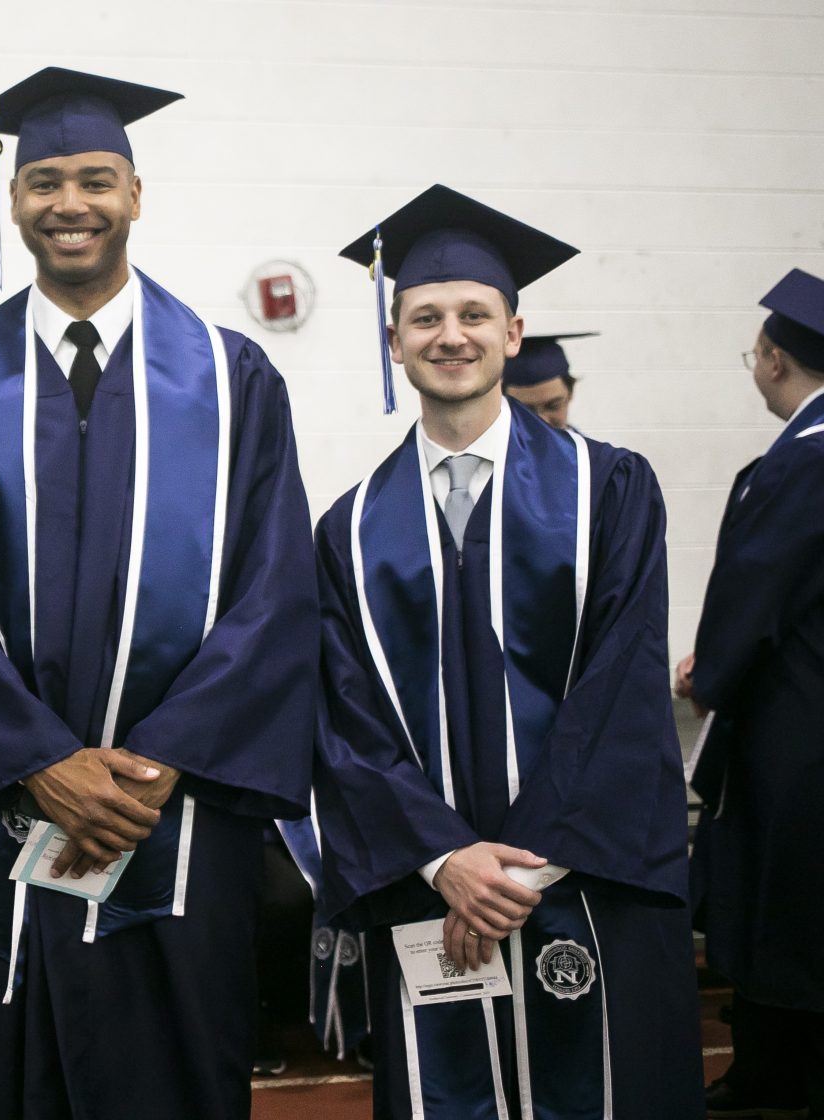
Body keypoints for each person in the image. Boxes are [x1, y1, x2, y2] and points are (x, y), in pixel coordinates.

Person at [0, 68, 320, 1118]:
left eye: (94, 178)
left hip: (176, 812)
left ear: (138, 193)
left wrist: (153, 766)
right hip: (20, 816)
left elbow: (274, 589)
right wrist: (37, 759)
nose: (69, 203)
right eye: (43, 181)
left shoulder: (231, 378)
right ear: (14, 202)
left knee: (184, 1064)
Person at [313, 184, 702, 1118]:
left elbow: (622, 686)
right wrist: (447, 862)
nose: (452, 335)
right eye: (426, 317)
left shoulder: (607, 488)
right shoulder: (349, 530)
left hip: (582, 880)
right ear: (394, 340)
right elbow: (342, 720)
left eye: (474, 314)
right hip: (432, 891)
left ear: (514, 331)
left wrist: (518, 870)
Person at [684, 267, 824, 1119]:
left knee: (785, 905)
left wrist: (712, 673)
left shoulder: (802, 460)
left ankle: (780, 1083)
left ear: (773, 359)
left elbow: (755, 591)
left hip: (796, 723)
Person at [502, 331, 597, 431]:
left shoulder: (587, 447)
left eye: (553, 406)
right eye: (526, 411)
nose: (543, 421)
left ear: (570, 392)